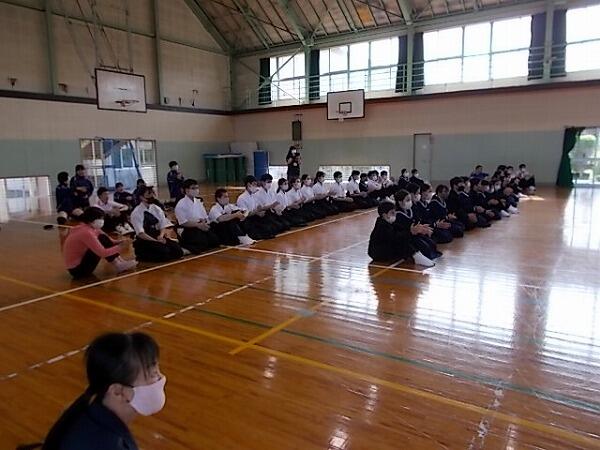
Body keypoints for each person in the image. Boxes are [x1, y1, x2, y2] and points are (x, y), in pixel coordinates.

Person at [42, 332, 165, 450]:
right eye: (153, 374)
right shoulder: (105, 443)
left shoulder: (91, 412)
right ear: (117, 392)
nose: (161, 378)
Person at [62, 207, 137, 279]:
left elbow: (108, 240)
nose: (102, 221)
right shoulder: (86, 232)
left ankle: (120, 261)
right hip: (78, 270)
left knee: (102, 237)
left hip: (80, 264)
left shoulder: (89, 227)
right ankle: (118, 264)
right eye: (100, 218)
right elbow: (102, 253)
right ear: (91, 220)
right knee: (101, 239)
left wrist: (120, 242)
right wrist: (120, 247)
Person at [368, 202, 435, 267]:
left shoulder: (389, 223)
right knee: (401, 242)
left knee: (407, 238)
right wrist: (411, 232)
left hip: (385, 248)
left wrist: (414, 229)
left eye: (394, 212)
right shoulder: (381, 226)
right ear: (385, 215)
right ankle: (417, 257)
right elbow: (395, 237)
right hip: (378, 254)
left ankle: (418, 255)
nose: (395, 214)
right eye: (392, 213)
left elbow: (402, 229)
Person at [130, 187, 184, 262]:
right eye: (149, 194)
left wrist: (161, 236)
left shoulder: (156, 208)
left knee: (178, 251)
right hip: (145, 239)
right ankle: (142, 254)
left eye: (152, 193)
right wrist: (155, 241)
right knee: (164, 252)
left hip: (157, 236)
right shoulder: (136, 212)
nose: (152, 196)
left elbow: (162, 225)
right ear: (141, 197)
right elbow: (140, 233)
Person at [394, 189, 442, 261]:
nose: (410, 202)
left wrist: (424, 229)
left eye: (410, 199)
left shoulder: (411, 210)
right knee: (425, 248)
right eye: (407, 200)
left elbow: (418, 222)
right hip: (408, 238)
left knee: (432, 243)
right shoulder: (397, 215)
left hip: (417, 235)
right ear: (400, 202)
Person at [175, 179, 220, 254]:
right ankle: (185, 246)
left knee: (215, 241)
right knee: (202, 243)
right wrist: (198, 225)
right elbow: (183, 222)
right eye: (193, 188)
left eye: (197, 188)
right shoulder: (181, 204)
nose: (196, 190)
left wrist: (204, 223)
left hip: (199, 225)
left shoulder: (198, 201)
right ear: (186, 190)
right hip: (187, 228)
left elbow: (204, 216)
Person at [236, 176, 278, 240]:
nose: (255, 186)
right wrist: (256, 212)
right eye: (254, 184)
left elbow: (258, 207)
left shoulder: (253, 196)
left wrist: (259, 212)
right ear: (248, 184)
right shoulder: (241, 198)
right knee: (257, 234)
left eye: (256, 184)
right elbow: (245, 214)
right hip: (247, 220)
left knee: (271, 229)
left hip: (256, 217)